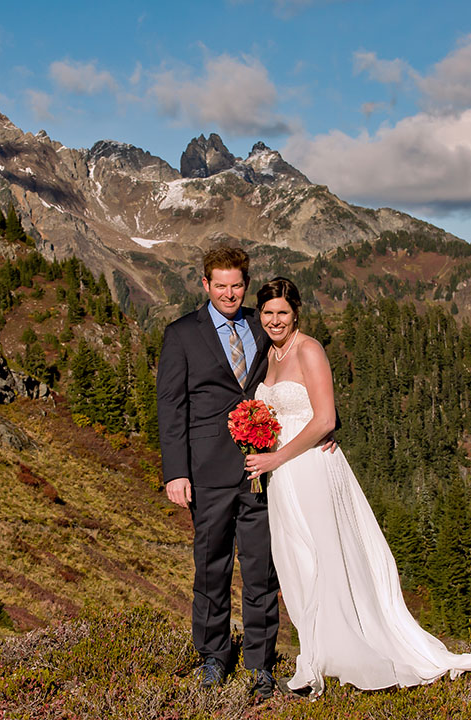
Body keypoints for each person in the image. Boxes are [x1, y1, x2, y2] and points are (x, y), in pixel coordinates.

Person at [245, 277, 471, 698]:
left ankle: (343, 655)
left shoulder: (310, 350)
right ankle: (317, 652)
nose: (275, 320)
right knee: (297, 564)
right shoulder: (267, 354)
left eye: (282, 312)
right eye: (267, 313)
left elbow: (324, 420)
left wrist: (275, 458)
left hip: (313, 471)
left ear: (296, 312)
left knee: (328, 561)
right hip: (283, 478)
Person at [155, 245, 279, 699]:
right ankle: (213, 657)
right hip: (206, 472)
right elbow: (171, 406)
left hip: (261, 470)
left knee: (262, 570)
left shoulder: (261, 327)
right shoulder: (182, 333)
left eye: (237, 285)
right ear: (204, 285)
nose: (230, 293)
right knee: (211, 568)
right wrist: (175, 472)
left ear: (246, 284)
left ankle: (261, 663)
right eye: (220, 285)